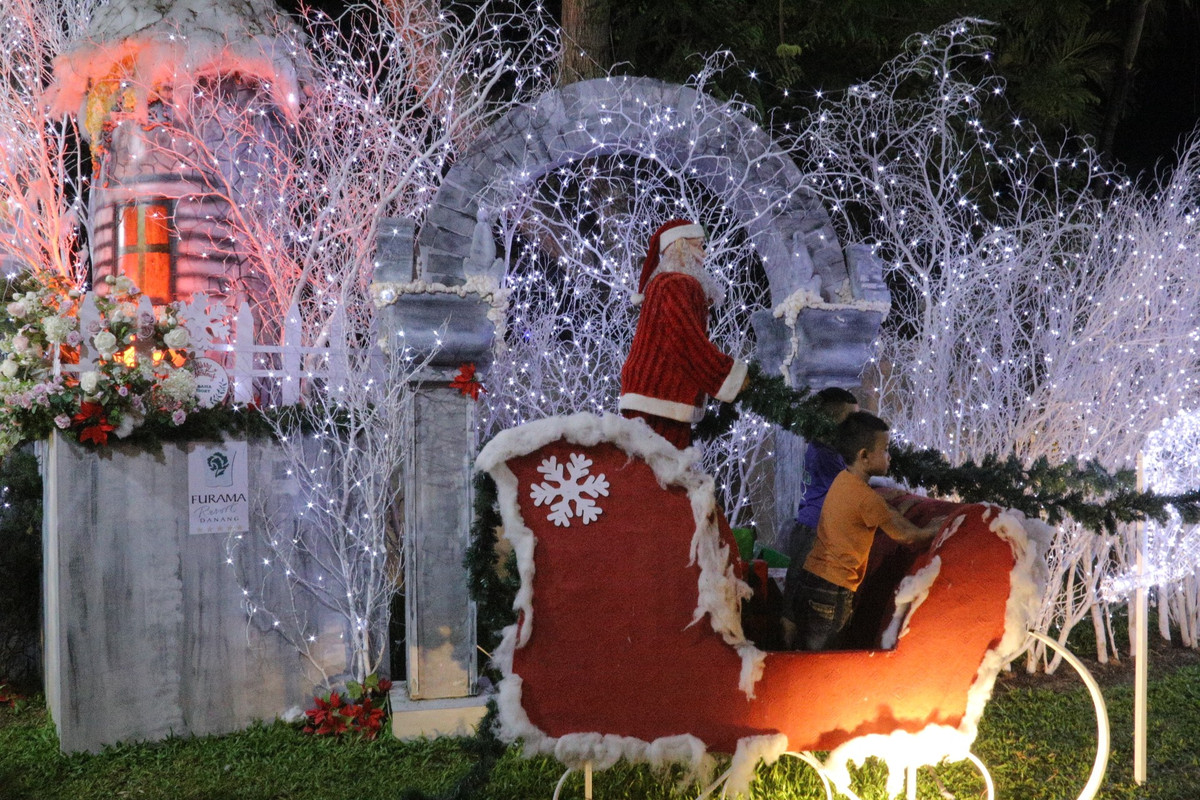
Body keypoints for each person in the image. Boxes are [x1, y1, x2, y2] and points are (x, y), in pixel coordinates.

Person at [794, 411, 943, 651]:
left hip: (813, 578)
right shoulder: (866, 499)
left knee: (808, 653)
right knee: (826, 658)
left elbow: (883, 511)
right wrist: (936, 528)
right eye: (885, 450)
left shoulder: (844, 480)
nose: (889, 456)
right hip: (833, 589)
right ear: (863, 456)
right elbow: (907, 535)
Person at [619, 219, 748, 449]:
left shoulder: (664, 284)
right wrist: (729, 376)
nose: (704, 255)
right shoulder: (675, 283)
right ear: (680, 246)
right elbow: (687, 342)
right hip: (659, 396)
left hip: (655, 395)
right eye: (698, 246)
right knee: (664, 466)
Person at [780, 386, 859, 647]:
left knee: (795, 592)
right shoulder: (827, 455)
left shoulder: (821, 449)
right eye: (850, 420)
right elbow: (854, 486)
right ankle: (792, 650)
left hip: (809, 526)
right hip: (816, 530)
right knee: (800, 596)